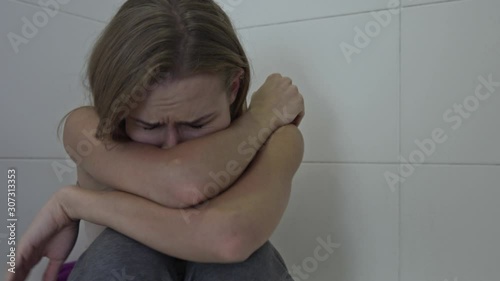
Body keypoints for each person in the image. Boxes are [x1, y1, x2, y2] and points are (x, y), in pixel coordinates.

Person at [5, 0, 305, 280]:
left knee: (244, 263)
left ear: (233, 88)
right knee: (122, 252)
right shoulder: (88, 128)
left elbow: (230, 238)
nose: (173, 145)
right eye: (148, 126)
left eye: (197, 123)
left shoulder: (278, 140)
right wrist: (260, 117)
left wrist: (73, 204)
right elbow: (183, 183)